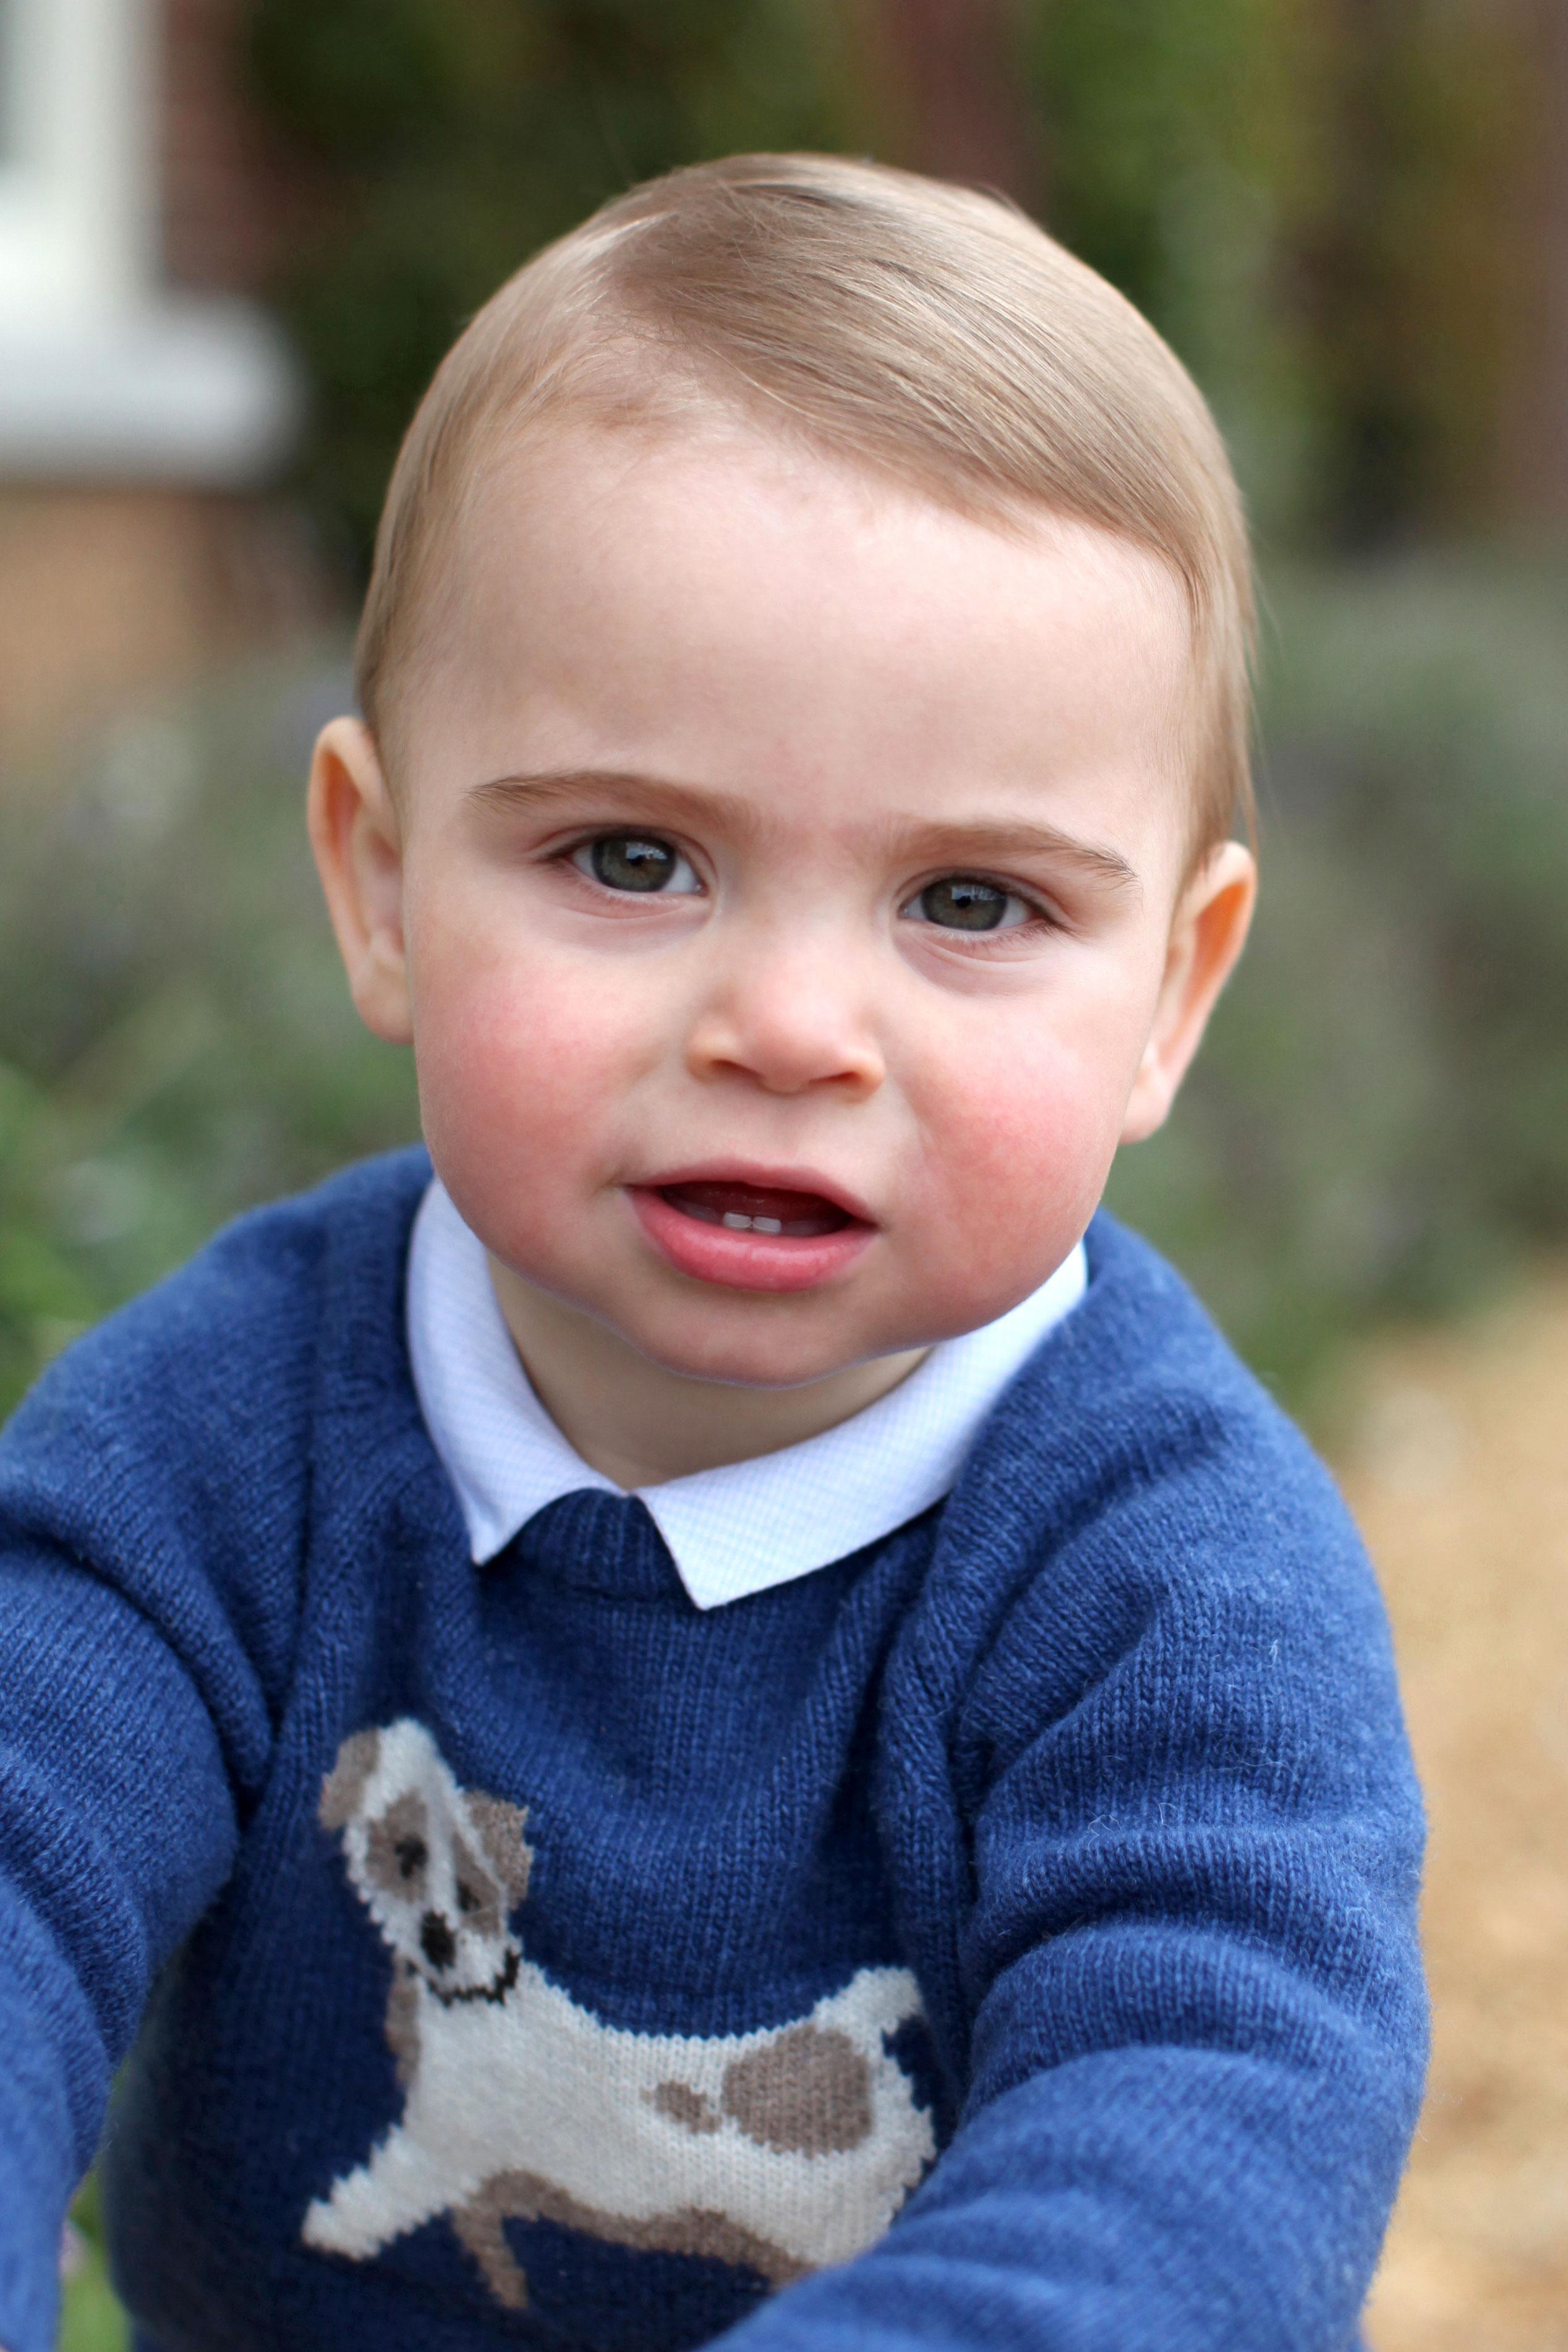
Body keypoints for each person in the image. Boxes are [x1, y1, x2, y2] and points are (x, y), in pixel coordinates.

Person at [0, 154, 1425, 2352]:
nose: (786, 1029)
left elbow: (1208, 2145)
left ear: (1172, 990)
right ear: (379, 884)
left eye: (973, 903)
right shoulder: (220, 1444)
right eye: (634, 854)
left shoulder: (1171, 1578)